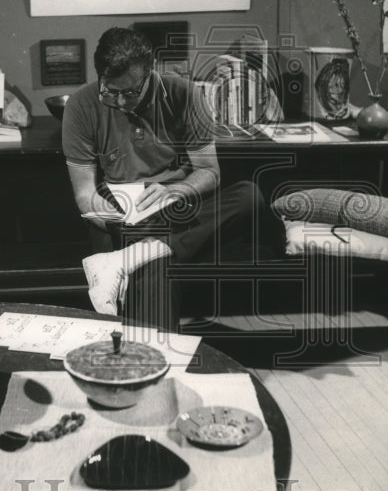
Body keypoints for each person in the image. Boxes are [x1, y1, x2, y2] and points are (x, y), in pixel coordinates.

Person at [61, 26, 265, 330]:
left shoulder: (184, 93)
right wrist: (110, 215)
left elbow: (210, 172)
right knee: (157, 266)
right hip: (122, 216)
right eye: (110, 91)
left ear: (150, 72)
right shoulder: (80, 105)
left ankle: (126, 260)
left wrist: (178, 191)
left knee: (249, 194)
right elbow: (84, 193)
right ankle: (156, 364)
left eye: (129, 92)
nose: (119, 102)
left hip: (175, 209)